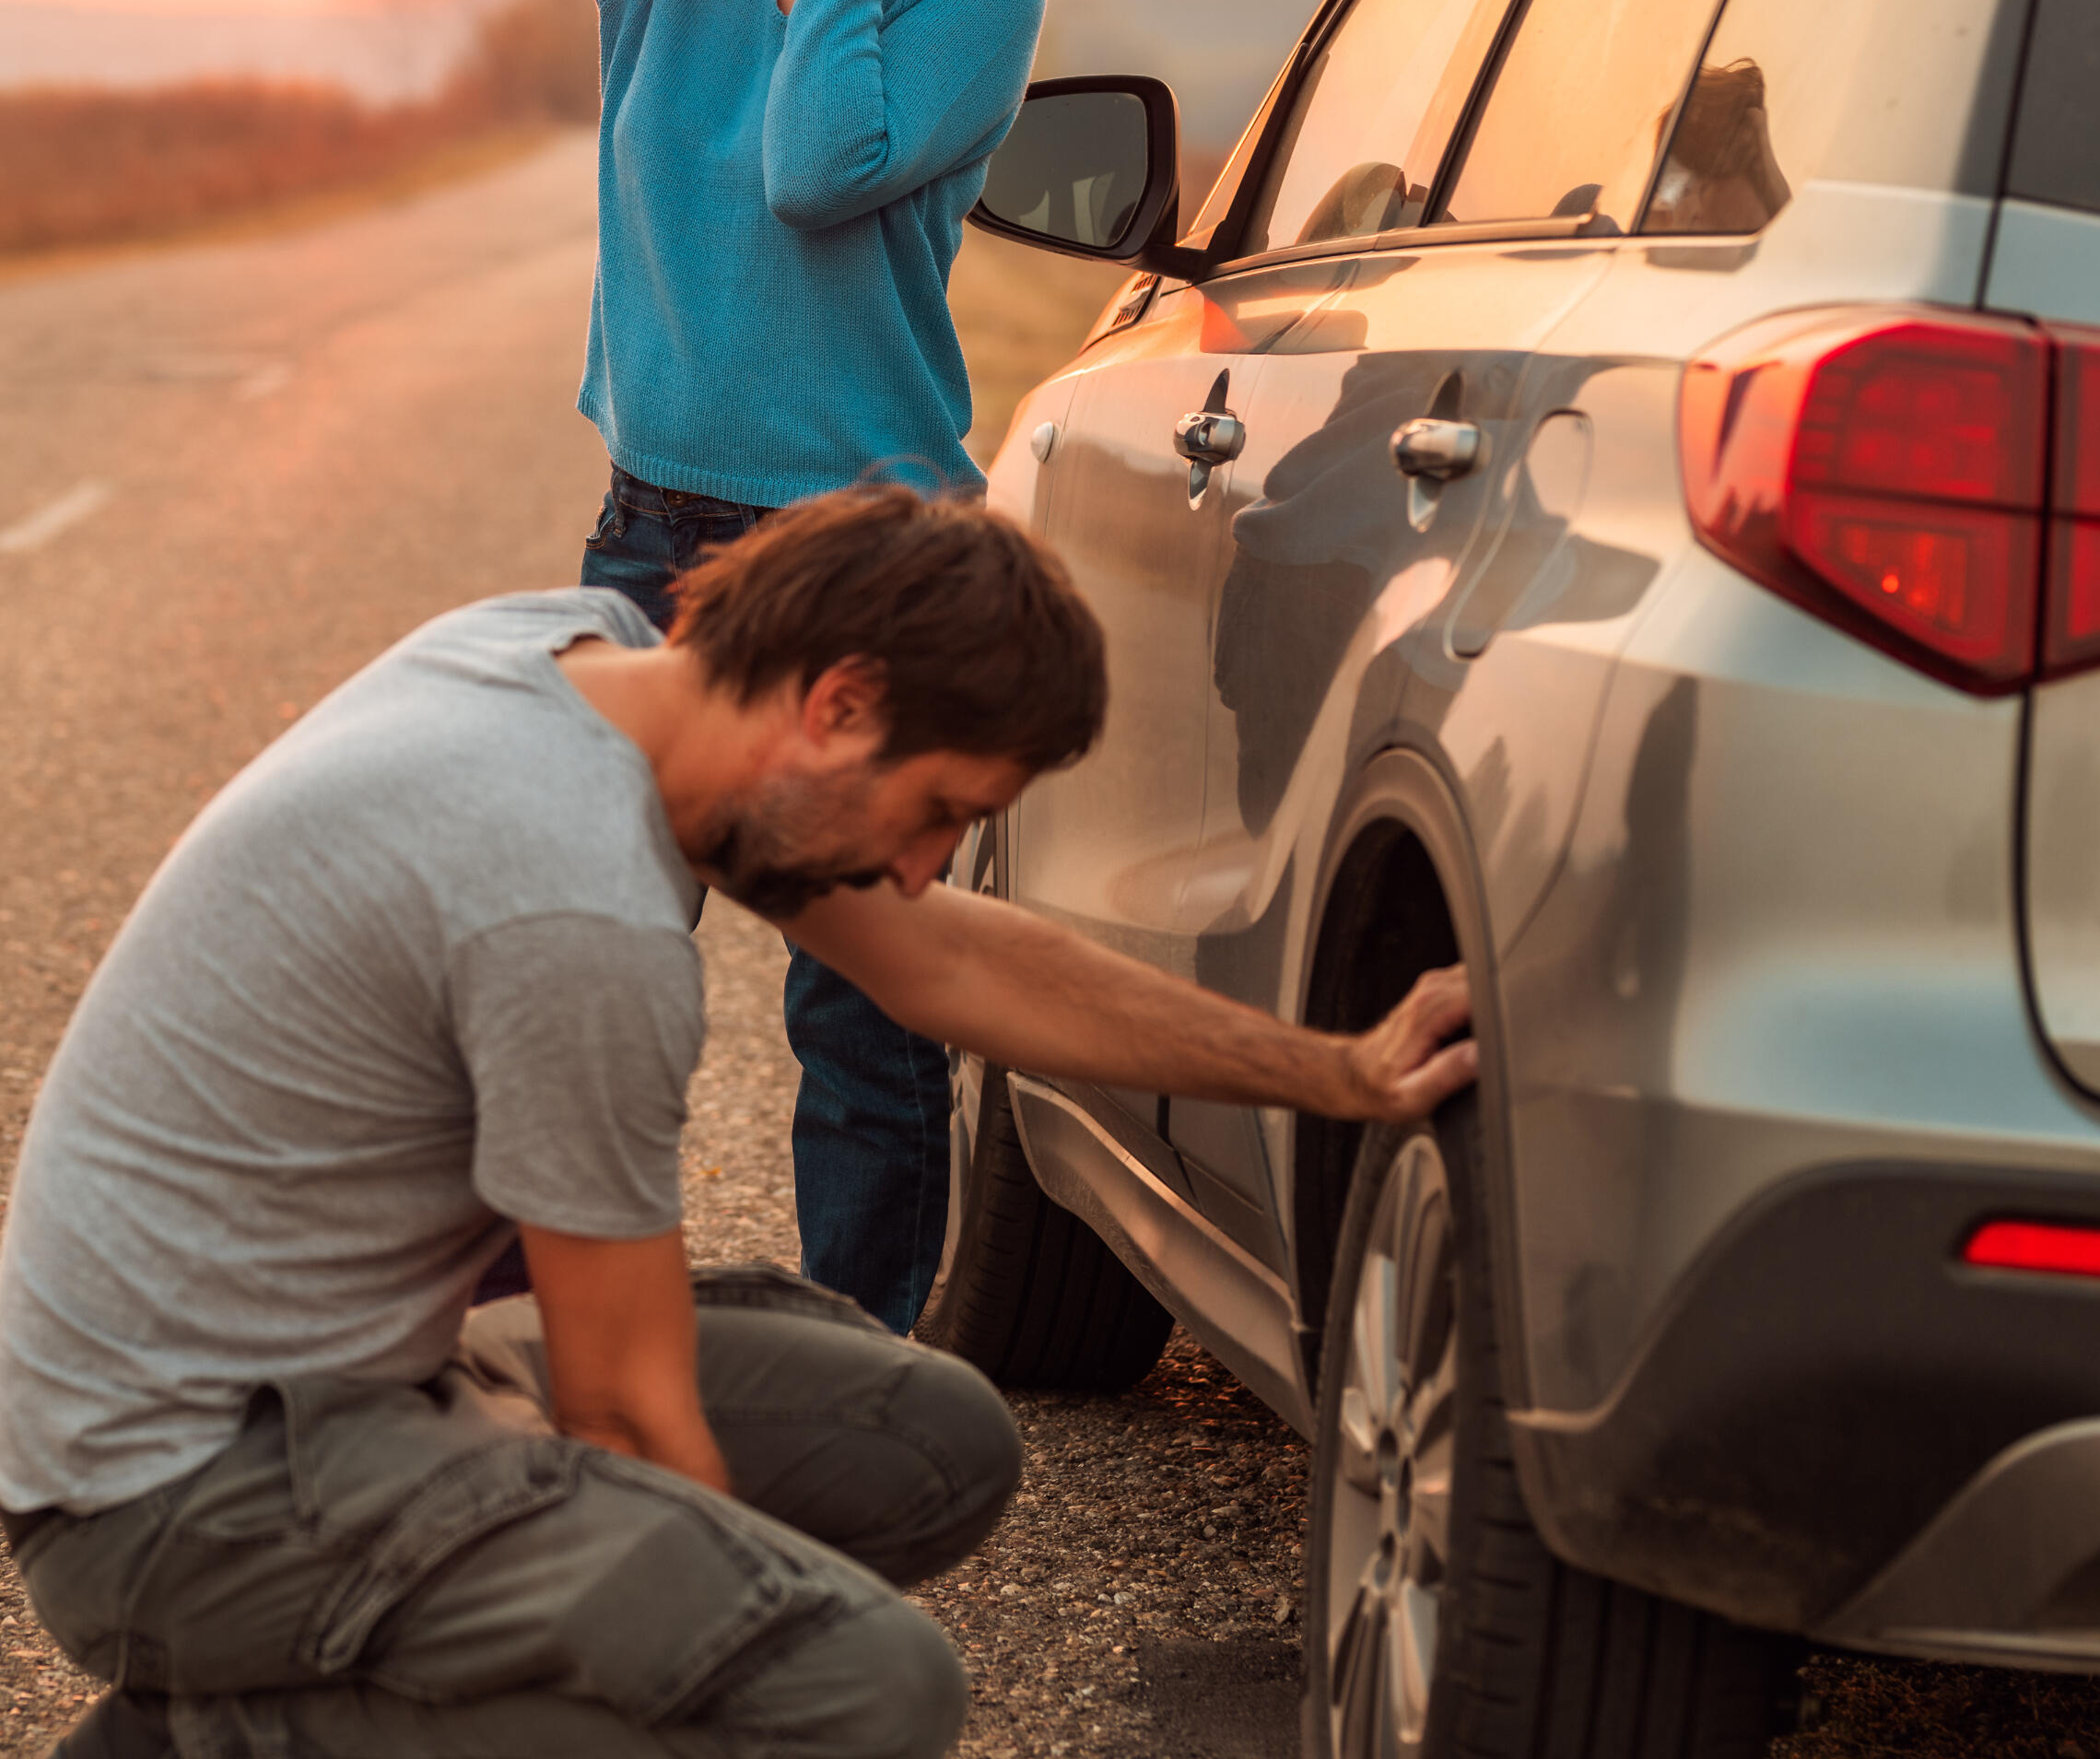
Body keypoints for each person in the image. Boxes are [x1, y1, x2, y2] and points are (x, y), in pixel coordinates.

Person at [0, 487, 1475, 1759]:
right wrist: (738, 1644)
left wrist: (1333, 1071)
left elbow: (951, 959)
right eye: (936, 809)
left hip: (334, 1378)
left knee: (923, 1439)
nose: (921, 867)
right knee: (853, 1683)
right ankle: (215, 1734)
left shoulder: (576, 662)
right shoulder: (564, 898)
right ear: (835, 703)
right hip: (168, 1489)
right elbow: (627, 1418)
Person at [443, 0, 1043, 1335]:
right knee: (562, 959)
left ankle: (859, 1375)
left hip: (862, 557)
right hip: (656, 541)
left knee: (856, 1018)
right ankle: (499, 1347)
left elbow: (814, 161)